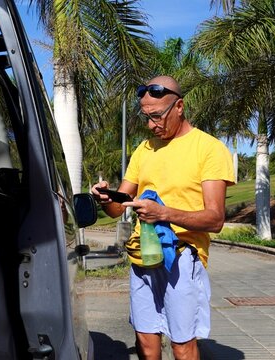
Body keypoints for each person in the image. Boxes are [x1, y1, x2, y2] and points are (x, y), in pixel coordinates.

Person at [91, 75, 235, 360]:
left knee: (182, 345)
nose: (151, 125)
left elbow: (215, 219)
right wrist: (107, 199)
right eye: (146, 117)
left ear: (179, 106)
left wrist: (164, 213)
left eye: (157, 116)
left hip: (182, 257)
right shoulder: (144, 150)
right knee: (145, 339)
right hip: (142, 254)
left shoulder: (208, 148)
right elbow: (119, 209)